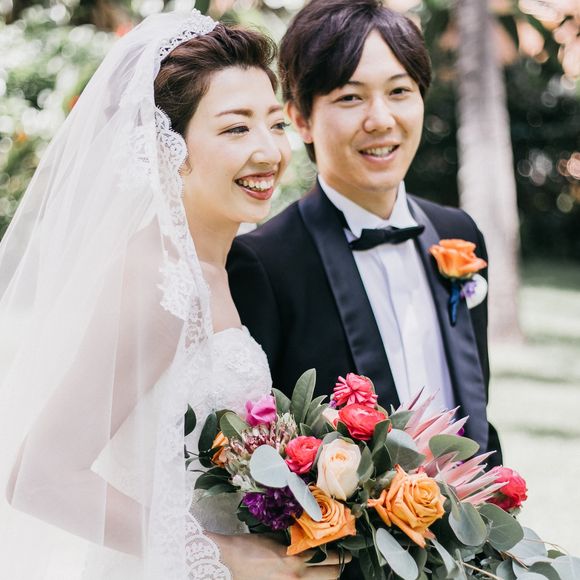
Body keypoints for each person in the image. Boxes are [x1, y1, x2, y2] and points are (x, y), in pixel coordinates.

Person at [0, 10, 346, 579]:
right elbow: (41, 477)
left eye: (274, 124)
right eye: (236, 129)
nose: (268, 151)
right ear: (168, 146)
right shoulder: (160, 282)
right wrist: (224, 553)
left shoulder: (212, 268)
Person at [228, 0, 502, 467]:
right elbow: (256, 447)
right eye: (351, 98)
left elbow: (476, 411)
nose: (381, 120)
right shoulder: (264, 263)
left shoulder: (459, 235)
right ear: (300, 118)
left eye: (399, 91)